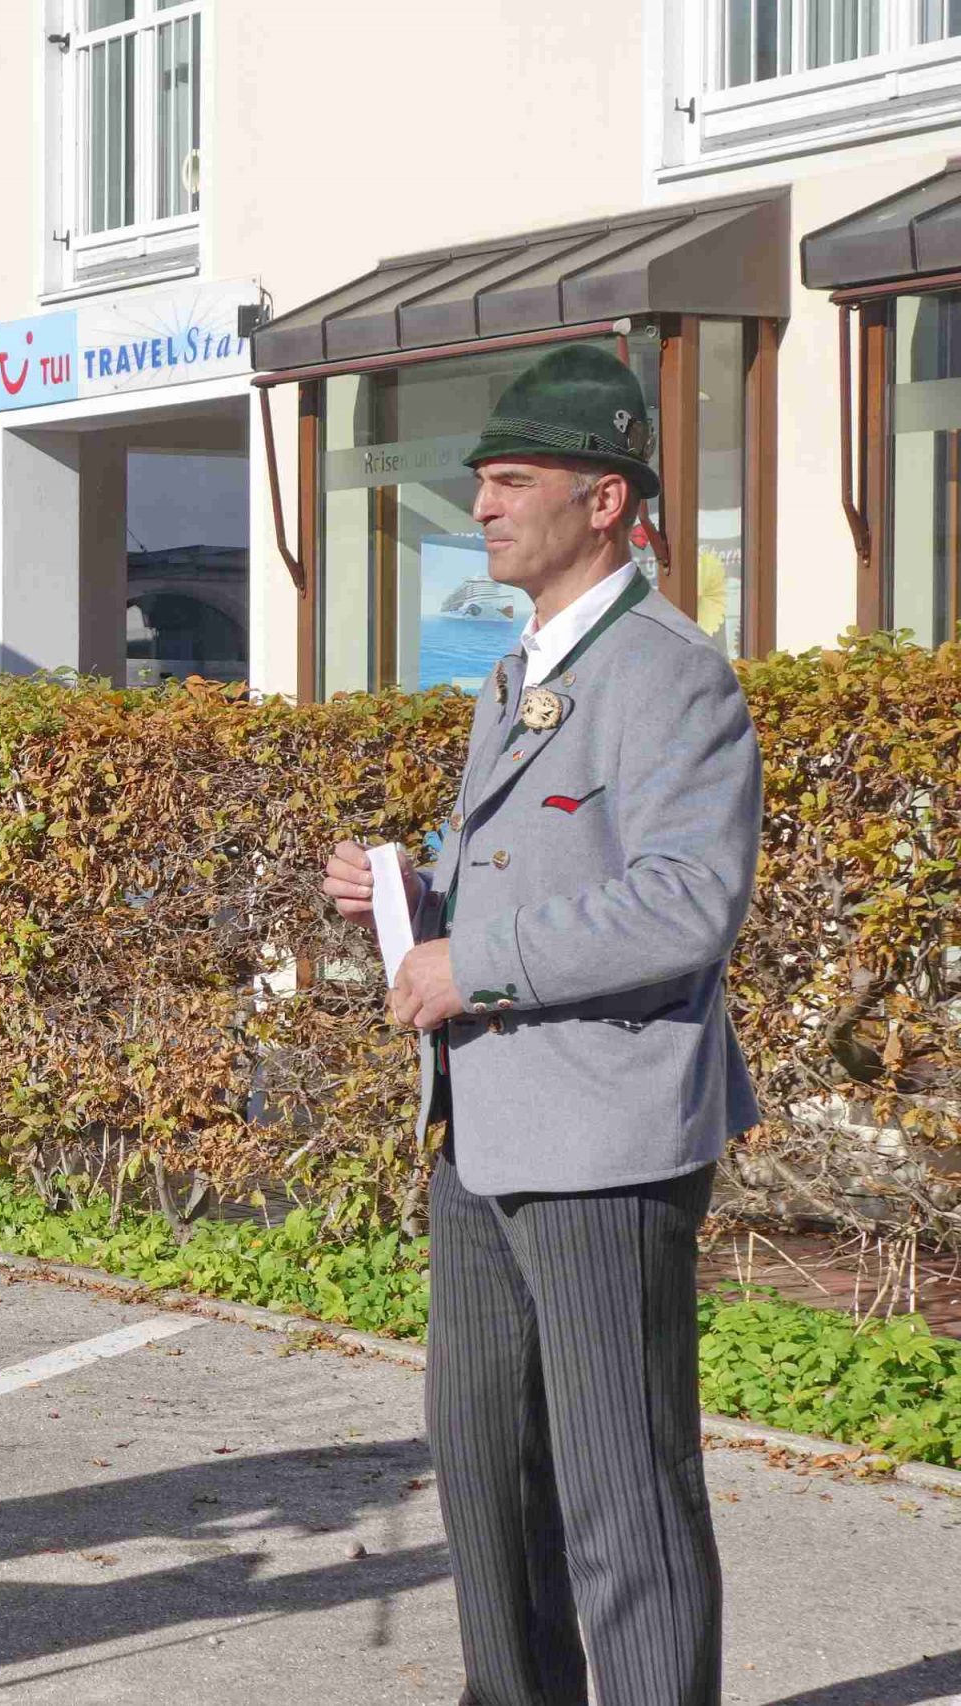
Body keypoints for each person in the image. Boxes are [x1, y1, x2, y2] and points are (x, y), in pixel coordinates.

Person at [319, 343, 763, 1706]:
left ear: (607, 499)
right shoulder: (525, 666)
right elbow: (538, 870)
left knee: (623, 1487)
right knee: (486, 1467)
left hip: (606, 1137)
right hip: (486, 1121)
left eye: (514, 479)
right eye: (483, 480)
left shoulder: (670, 673)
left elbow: (687, 901)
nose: (483, 504)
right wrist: (414, 894)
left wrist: (476, 960)